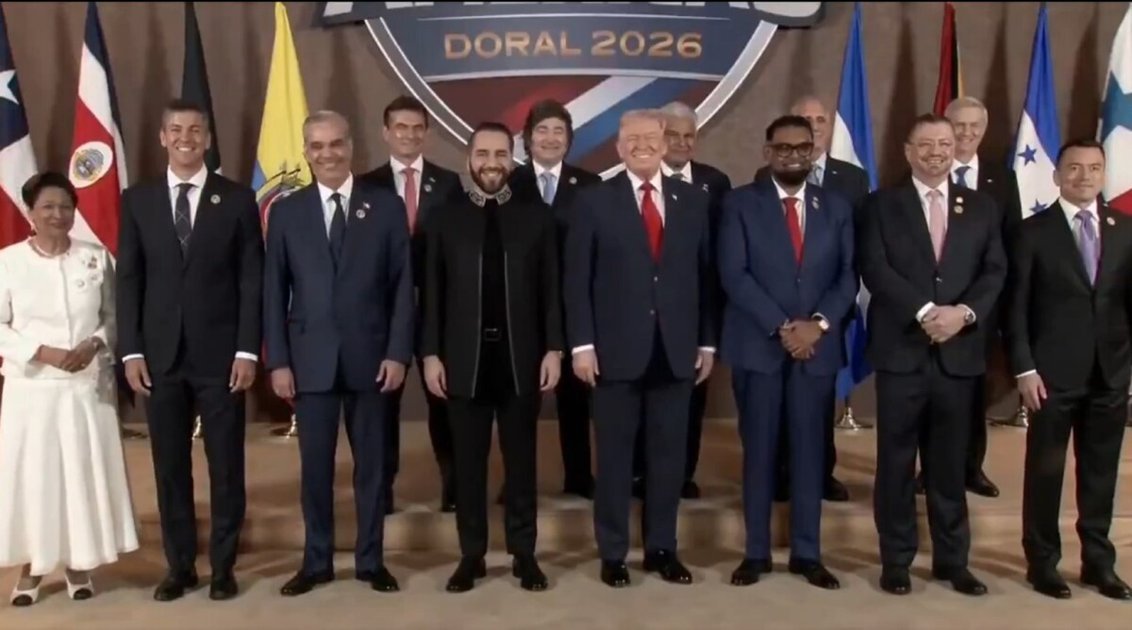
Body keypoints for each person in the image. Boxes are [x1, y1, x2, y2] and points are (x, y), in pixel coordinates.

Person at [116, 99, 263, 602]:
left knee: (226, 467)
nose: (186, 138)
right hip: (159, 359)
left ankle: (222, 567)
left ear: (207, 138)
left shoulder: (237, 198)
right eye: (176, 129)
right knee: (170, 468)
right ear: (163, 137)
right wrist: (131, 351)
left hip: (222, 358)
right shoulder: (138, 200)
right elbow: (129, 279)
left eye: (195, 130)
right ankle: (180, 567)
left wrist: (247, 351)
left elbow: (251, 280)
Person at [565, 109, 717, 588]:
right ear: (619, 147)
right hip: (613, 353)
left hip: (676, 349)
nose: (642, 145)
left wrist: (707, 341)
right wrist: (582, 346)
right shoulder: (593, 200)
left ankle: (661, 548)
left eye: (651, 137)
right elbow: (577, 280)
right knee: (613, 459)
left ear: (666, 143)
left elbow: (705, 277)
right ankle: (613, 553)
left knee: (668, 458)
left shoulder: (693, 200)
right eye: (632, 139)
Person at [263, 110, 413, 597]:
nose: (327, 154)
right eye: (317, 146)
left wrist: (398, 353)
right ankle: (316, 562)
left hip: (372, 360)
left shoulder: (385, 206)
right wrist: (278, 361)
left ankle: (371, 561)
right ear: (306, 152)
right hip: (310, 363)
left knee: (373, 469)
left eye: (336, 144)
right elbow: (273, 292)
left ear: (351, 146)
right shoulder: (286, 212)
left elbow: (402, 287)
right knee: (316, 471)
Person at [858, 113, 1005, 597]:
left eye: (944, 143)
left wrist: (963, 314)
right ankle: (897, 560)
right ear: (908, 151)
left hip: (958, 356)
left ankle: (952, 561)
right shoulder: (881, 205)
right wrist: (925, 311)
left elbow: (994, 271)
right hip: (902, 354)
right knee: (896, 464)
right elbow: (875, 267)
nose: (936, 152)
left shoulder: (981, 207)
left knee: (948, 466)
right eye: (925, 144)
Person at [422, 122, 563, 592]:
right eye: (483, 154)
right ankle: (471, 555)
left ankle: (524, 554)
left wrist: (554, 349)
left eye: (501, 154)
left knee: (521, 465)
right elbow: (432, 294)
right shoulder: (444, 218)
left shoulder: (536, 217)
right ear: (469, 159)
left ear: (512, 159)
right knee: (468, 467)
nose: (491, 163)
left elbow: (551, 291)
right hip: (463, 361)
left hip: (521, 360)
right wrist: (430, 354)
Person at [718, 116, 855, 589]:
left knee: (810, 453)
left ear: (813, 151)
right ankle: (755, 553)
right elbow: (733, 274)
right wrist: (783, 327)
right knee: (758, 451)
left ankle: (807, 553)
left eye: (802, 147)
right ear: (767, 152)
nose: (793, 155)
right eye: (783, 148)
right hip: (759, 347)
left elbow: (847, 275)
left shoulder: (835, 206)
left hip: (816, 350)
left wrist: (817, 326)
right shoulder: (739, 204)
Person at [0, 172, 138, 606]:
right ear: (30, 212)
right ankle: (33, 567)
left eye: (65, 206)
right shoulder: (8, 262)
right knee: (37, 479)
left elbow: (114, 317)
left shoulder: (95, 258)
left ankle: (80, 562)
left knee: (79, 476)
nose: (57, 215)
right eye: (47, 207)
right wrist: (41, 351)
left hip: (85, 388)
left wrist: (94, 342)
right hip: (32, 391)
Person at [1006, 139, 1132, 601]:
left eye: (1094, 168)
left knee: (1100, 475)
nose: (1084, 176)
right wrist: (1024, 369)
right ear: (1057, 175)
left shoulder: (1125, 228)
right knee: (1046, 473)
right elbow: (1015, 309)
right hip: (1050, 376)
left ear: (1104, 174)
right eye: (1074, 168)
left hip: (1110, 374)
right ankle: (1042, 563)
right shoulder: (1032, 232)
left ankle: (1099, 563)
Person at [755, 94, 867, 503]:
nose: (813, 125)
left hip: (827, 312)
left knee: (819, 405)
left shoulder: (852, 179)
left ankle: (821, 473)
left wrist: (821, 321)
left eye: (820, 119)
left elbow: (853, 253)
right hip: (779, 316)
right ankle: (780, 474)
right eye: (805, 118)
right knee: (778, 409)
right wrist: (786, 324)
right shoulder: (765, 176)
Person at [912, 96, 1022, 500]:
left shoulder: (1001, 179)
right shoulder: (920, 174)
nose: (967, 133)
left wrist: (983, 305)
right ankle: (929, 470)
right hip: (931, 309)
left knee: (975, 393)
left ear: (985, 129)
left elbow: (1010, 245)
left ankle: (972, 468)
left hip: (980, 308)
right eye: (959, 125)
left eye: (975, 125)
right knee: (929, 395)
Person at [359, 95, 464, 514]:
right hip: (383, 312)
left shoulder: (450, 183)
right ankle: (381, 488)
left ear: (427, 133)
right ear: (386, 132)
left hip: (438, 308)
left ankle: (455, 487)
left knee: (446, 401)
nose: (409, 135)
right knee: (382, 405)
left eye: (417, 127)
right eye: (401, 127)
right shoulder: (366, 185)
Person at [627, 100, 731, 501]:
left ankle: (683, 474)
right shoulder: (629, 182)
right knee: (641, 401)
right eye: (673, 135)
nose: (683, 143)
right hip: (641, 313)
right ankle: (639, 473)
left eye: (689, 136)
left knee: (691, 400)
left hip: (694, 310)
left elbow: (718, 254)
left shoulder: (714, 183)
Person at [508, 99, 601, 499]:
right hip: (521, 312)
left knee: (576, 402)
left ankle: (579, 477)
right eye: (542, 130)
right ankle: (518, 482)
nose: (550, 138)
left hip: (573, 309)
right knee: (519, 404)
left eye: (558, 131)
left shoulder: (591, 187)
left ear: (569, 140)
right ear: (528, 139)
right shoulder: (508, 184)